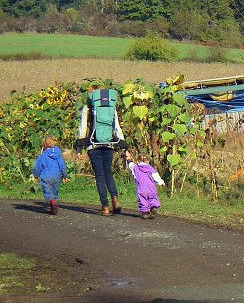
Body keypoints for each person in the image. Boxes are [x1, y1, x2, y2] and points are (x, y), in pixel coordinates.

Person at [75, 85, 127, 216]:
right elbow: (116, 127)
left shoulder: (86, 109)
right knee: (108, 173)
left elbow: (82, 129)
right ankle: (115, 199)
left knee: (100, 176)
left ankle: (105, 207)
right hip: (109, 144)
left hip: (93, 146)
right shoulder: (111, 108)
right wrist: (124, 146)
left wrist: (79, 149)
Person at [33, 136, 68, 215]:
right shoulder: (58, 154)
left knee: (47, 191)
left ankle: (52, 202)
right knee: (55, 190)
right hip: (57, 176)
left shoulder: (42, 156)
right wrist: (65, 176)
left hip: (46, 176)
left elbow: (38, 167)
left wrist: (36, 176)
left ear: (44, 145)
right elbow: (62, 165)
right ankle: (54, 202)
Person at [124, 151, 165, 219]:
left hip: (141, 188)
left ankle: (145, 213)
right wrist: (161, 182)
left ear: (137, 160)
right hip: (151, 188)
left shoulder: (135, 167)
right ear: (148, 161)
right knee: (153, 198)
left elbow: (130, 164)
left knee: (142, 200)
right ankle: (153, 207)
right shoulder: (151, 169)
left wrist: (128, 158)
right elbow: (156, 177)